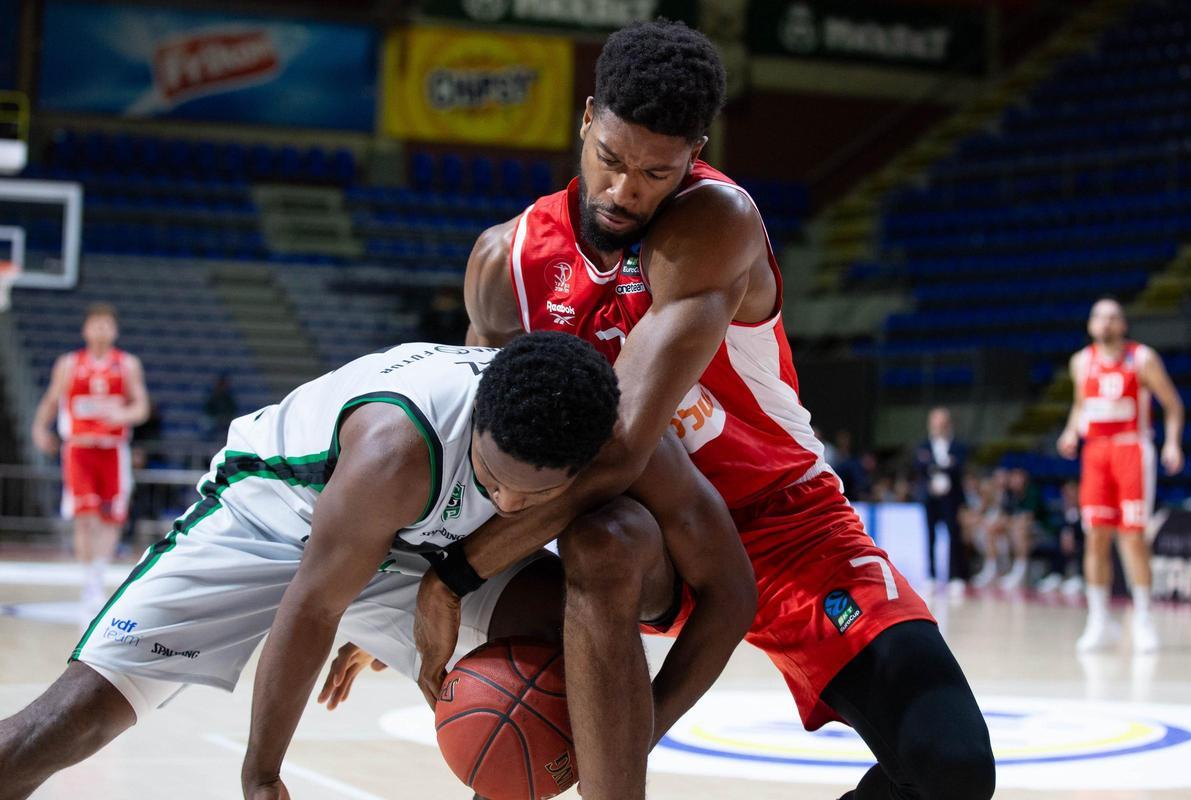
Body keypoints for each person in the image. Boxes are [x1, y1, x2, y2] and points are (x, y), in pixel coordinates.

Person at [414, 20, 994, 800]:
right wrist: (417, 569)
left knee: (950, 767)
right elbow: (479, 457)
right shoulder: (505, 265)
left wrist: (451, 575)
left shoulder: (717, 223)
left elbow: (620, 448)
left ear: (695, 153)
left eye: (656, 172)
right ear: (587, 118)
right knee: (606, 539)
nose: (625, 191)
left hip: (785, 523)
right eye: (611, 159)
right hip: (647, 537)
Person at [0, 333, 755, 800]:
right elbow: (314, 606)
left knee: (547, 677)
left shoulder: (624, 443)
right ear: (478, 424)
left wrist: (634, 731)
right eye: (492, 480)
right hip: (275, 516)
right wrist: (262, 773)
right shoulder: (395, 450)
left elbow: (732, 593)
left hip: (417, 549)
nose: (505, 500)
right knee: (70, 723)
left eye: (534, 497)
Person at [1057, 297, 1185, 653]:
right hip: (1095, 450)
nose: (1106, 322)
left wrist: (1172, 443)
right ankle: (1099, 620)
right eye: (1099, 316)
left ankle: (1143, 618)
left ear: (1123, 325)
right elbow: (1082, 405)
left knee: (1132, 537)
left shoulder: (1141, 358)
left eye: (1113, 317)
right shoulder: (1081, 362)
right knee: (1095, 535)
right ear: (1090, 324)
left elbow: (1173, 405)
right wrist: (1070, 431)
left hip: (1132, 448)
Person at [29, 303, 150, 622]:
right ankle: (89, 582)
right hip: (79, 449)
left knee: (111, 518)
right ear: (85, 329)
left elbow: (141, 406)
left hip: (112, 449)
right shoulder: (69, 364)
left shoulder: (127, 365)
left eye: (106, 325)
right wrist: (40, 427)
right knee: (84, 517)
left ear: (115, 330)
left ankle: (98, 576)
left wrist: (123, 414)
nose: (100, 330)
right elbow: (52, 399)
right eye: (95, 324)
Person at [913, 407, 969, 594]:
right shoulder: (923, 445)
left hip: (951, 499)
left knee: (954, 535)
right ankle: (931, 575)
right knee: (930, 535)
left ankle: (955, 576)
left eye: (942, 422)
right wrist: (943, 465)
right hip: (930, 498)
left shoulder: (958, 446)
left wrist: (937, 466)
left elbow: (959, 467)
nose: (939, 426)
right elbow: (920, 466)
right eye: (936, 422)